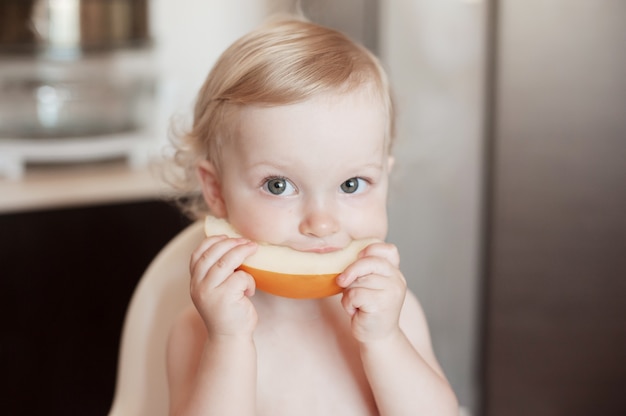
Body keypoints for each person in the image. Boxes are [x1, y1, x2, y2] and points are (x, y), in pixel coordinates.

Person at [165, 16, 458, 416]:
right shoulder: (199, 331)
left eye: (352, 184)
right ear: (216, 190)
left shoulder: (396, 312)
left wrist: (384, 340)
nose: (321, 223)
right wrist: (229, 341)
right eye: (279, 186)